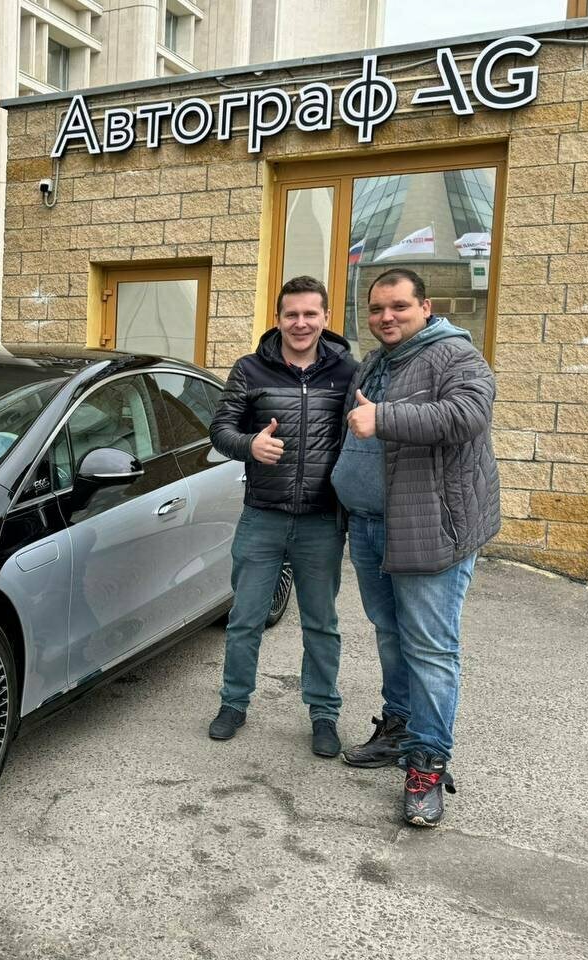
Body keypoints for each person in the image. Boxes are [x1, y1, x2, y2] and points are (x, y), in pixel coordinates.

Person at [331, 267, 500, 828]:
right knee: (390, 633)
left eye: (399, 306)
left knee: (430, 647)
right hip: (370, 525)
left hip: (430, 528)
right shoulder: (376, 362)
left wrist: (383, 418)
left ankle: (427, 762)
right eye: (377, 308)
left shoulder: (457, 356)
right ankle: (400, 727)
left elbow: (467, 415)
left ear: (425, 307)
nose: (387, 317)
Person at [207, 275, 358, 757]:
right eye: (291, 314)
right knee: (245, 619)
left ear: (326, 318)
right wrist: (249, 445)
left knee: (321, 624)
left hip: (321, 520)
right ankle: (233, 703)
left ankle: (324, 714)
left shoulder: (347, 372)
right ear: (278, 318)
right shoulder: (250, 369)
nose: (301, 323)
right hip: (263, 516)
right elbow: (220, 430)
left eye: (310, 313)